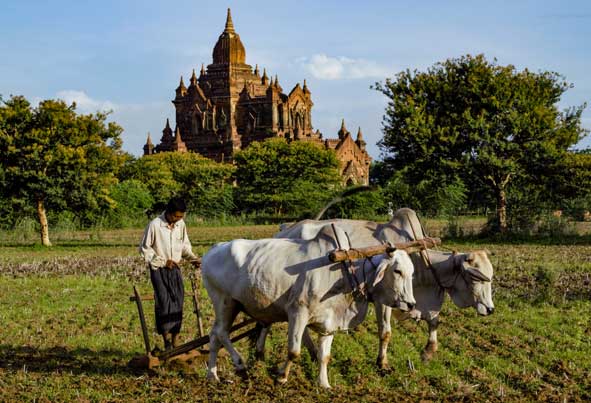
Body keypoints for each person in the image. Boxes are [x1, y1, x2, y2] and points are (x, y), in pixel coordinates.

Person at [139, 197, 200, 350]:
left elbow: (185, 246)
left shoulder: (180, 225)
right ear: (169, 213)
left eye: (181, 217)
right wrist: (163, 261)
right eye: (177, 216)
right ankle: (166, 341)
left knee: (178, 302)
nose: (179, 219)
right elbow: (144, 249)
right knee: (164, 303)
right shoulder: (155, 225)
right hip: (159, 270)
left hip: (176, 269)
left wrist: (193, 259)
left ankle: (175, 341)